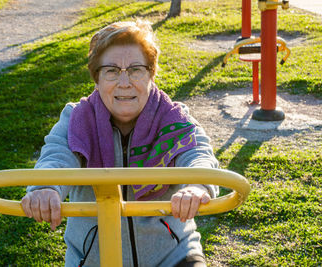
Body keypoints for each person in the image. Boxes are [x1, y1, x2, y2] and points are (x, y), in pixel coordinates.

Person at [21, 20, 219, 267]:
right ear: (97, 78)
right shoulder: (78, 119)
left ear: (151, 74)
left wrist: (196, 185)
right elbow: (57, 156)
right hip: (94, 259)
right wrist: (46, 187)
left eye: (136, 69)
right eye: (112, 71)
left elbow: (198, 153)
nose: (124, 83)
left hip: (172, 256)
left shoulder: (173, 119)